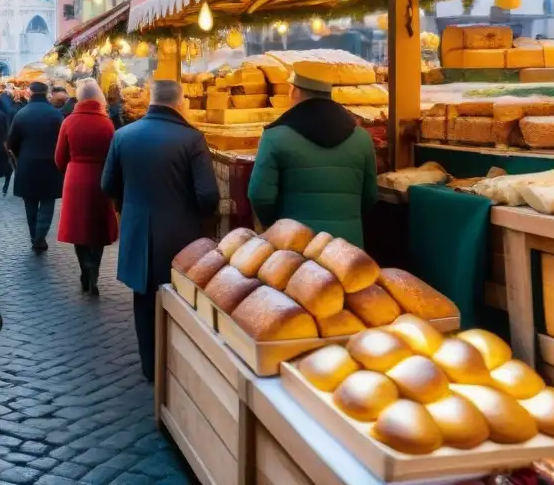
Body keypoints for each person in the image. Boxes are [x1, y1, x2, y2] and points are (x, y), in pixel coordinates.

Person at [102, 80, 219, 381]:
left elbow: (107, 185)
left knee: (144, 301)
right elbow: (207, 195)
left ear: (151, 100)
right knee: (182, 301)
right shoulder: (192, 139)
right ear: (180, 103)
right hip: (183, 237)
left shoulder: (123, 135)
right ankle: (176, 367)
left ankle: (149, 367)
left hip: (138, 232)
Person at [247, 68, 378, 247]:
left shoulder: (274, 137)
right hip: (347, 249)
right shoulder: (362, 138)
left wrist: (276, 227)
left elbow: (259, 196)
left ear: (296, 91)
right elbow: (370, 196)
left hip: (295, 249)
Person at [55, 80, 118, 295]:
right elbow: (113, 157)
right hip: (100, 178)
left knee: (78, 227)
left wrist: (70, 168)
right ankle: (94, 272)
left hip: (75, 178)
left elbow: (59, 158)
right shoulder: (107, 124)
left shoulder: (69, 122)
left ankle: (85, 268)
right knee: (97, 228)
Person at [7, 81, 64, 253]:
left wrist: (20, 156)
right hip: (50, 165)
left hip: (27, 164)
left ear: (30, 93)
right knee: (47, 203)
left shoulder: (21, 114)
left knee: (30, 204)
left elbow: (11, 142)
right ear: (46, 93)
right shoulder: (56, 115)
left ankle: (34, 236)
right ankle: (40, 237)